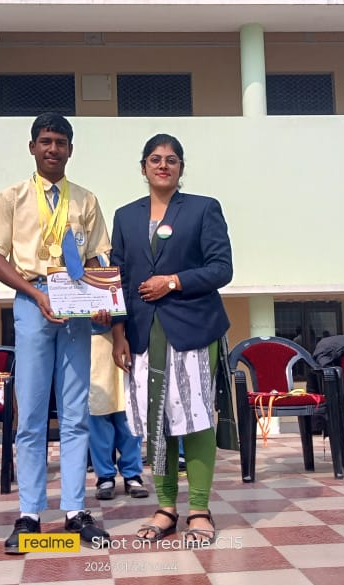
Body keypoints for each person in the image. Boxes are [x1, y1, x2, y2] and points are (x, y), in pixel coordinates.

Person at [0, 113, 112, 553]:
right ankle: (29, 514)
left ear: (71, 149)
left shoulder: (86, 201)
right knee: (31, 416)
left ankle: (75, 511)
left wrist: (104, 301)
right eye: (46, 141)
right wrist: (34, 296)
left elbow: (97, 260)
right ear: (32, 147)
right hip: (32, 300)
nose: (53, 149)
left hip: (75, 308)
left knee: (75, 414)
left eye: (61, 142)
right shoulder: (13, 197)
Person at [110, 133, 233, 546]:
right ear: (143, 166)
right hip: (143, 334)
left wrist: (174, 281)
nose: (163, 165)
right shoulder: (126, 216)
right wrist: (118, 334)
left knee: (196, 418)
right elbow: (119, 279)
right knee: (155, 422)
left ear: (181, 168)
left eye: (172, 160)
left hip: (192, 329)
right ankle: (165, 508)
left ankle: (199, 508)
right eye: (155, 159)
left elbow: (221, 268)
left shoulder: (202, 209)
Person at [88, 259, 148, 502]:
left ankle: (133, 474)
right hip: (92, 343)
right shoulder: (77, 260)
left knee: (128, 413)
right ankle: (105, 476)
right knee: (98, 413)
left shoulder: (118, 259)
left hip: (125, 341)